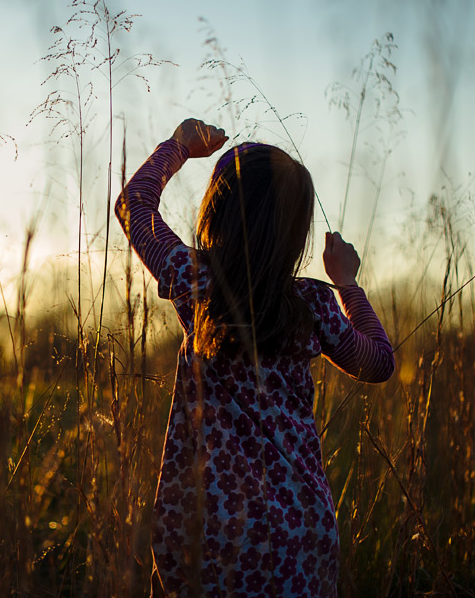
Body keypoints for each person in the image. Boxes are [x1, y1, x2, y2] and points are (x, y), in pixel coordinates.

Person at [114, 118, 394, 597]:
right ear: (297, 232)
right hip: (303, 536)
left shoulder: (197, 283)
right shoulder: (314, 306)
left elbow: (134, 206)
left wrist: (179, 147)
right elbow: (379, 362)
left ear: (217, 211)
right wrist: (347, 284)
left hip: (212, 536)